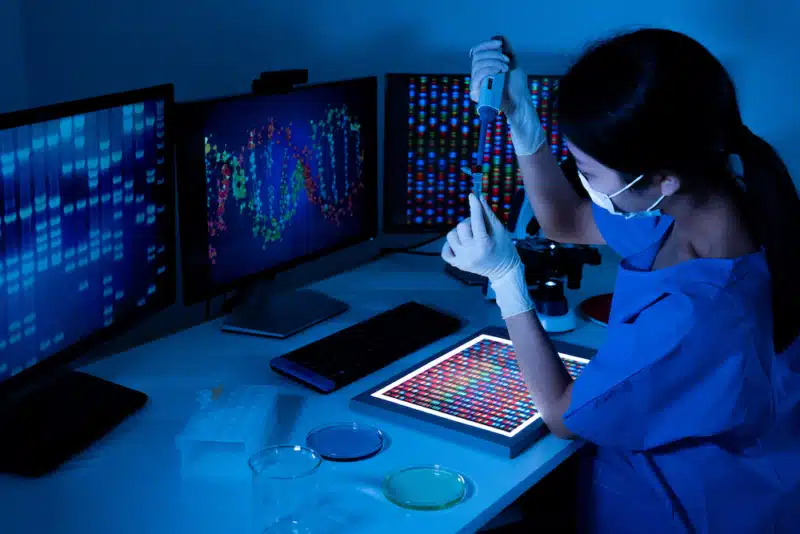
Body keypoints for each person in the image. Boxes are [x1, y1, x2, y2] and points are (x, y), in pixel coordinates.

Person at [443, 29, 800, 533]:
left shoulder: (694, 312)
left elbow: (563, 417)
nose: (580, 179)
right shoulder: (712, 199)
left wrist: (506, 279)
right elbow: (565, 223)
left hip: (683, 507)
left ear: (658, 179)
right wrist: (522, 119)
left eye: (585, 168)